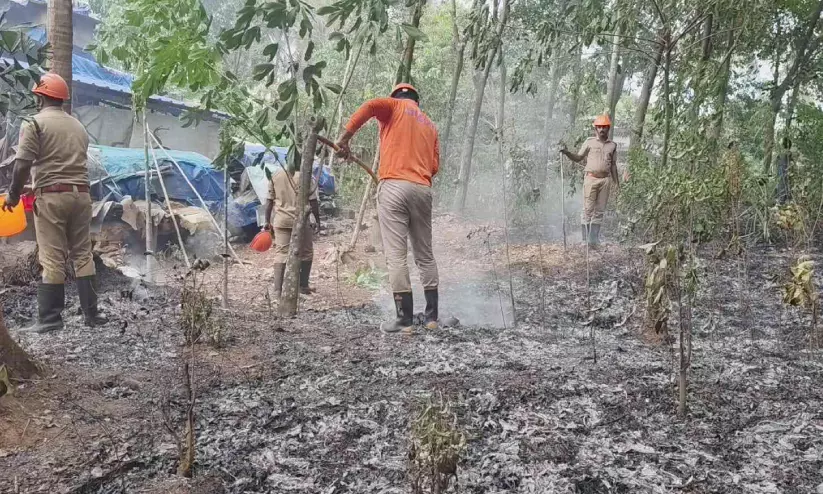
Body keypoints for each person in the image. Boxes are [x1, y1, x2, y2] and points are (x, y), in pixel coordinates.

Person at [2, 73, 108, 333]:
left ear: (40, 98)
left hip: (51, 199)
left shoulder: (34, 124)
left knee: (52, 257)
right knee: (82, 253)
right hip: (81, 196)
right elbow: (69, 165)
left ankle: (50, 319)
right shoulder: (78, 127)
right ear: (62, 99)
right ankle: (92, 315)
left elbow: (22, 165)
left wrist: (14, 195)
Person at [336, 83, 441, 333]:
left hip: (394, 186)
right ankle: (431, 317)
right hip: (422, 189)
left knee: (396, 255)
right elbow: (434, 166)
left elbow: (370, 106)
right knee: (425, 255)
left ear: (396, 96)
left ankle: (404, 320)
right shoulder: (429, 124)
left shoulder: (393, 106)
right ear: (416, 100)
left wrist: (344, 139)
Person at [560, 114, 619, 247]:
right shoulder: (589, 142)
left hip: (605, 180)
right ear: (595, 129)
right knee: (588, 209)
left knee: (600, 210)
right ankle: (585, 240)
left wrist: (616, 183)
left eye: (604, 127)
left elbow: (613, 165)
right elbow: (578, 157)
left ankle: (594, 240)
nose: (602, 129)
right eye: (599, 127)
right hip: (591, 178)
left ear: (608, 128)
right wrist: (567, 153)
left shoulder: (612, 145)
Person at [263, 162, 321, 297]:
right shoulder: (305, 176)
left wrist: (266, 221)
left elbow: (269, 201)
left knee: (281, 253)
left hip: (282, 221)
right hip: (301, 220)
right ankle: (303, 286)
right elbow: (313, 201)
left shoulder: (275, 175)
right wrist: (317, 220)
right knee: (306, 253)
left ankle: (278, 290)